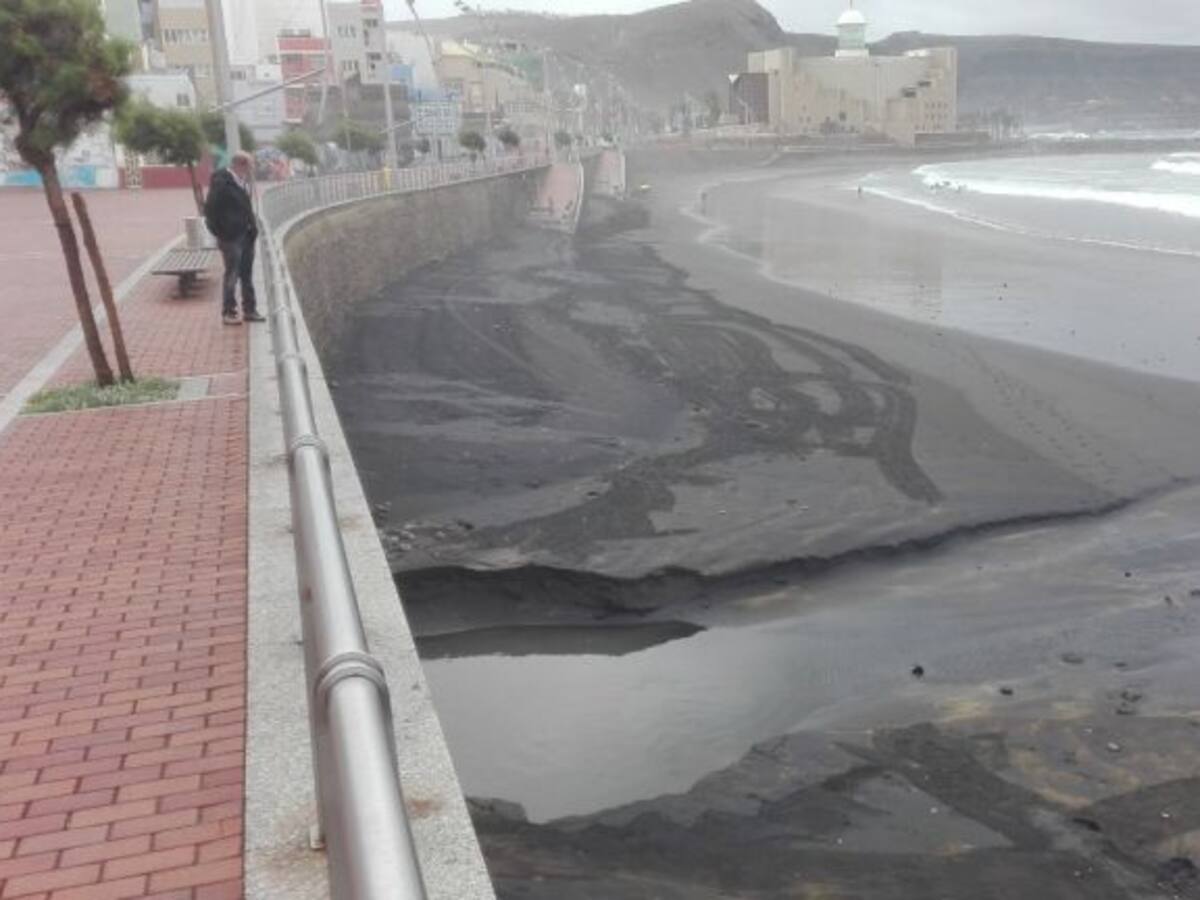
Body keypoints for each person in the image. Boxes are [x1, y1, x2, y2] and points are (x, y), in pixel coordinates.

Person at [204, 151, 264, 325]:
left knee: (247, 274)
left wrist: (252, 228)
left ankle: (250, 310)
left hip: (246, 235)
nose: (253, 170)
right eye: (251, 166)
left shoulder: (242, 182)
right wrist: (222, 232)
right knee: (232, 274)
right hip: (231, 238)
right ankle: (229, 312)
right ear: (241, 165)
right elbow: (210, 211)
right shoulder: (222, 183)